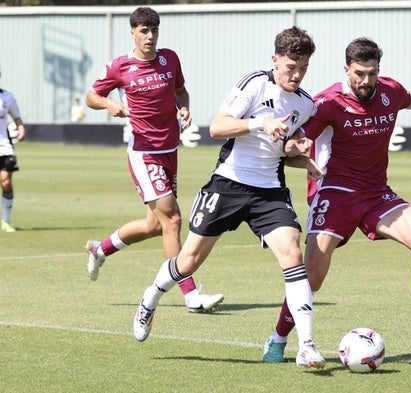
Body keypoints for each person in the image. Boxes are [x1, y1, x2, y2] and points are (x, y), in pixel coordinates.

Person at [262, 37, 411, 364]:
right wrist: (299, 150)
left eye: (372, 73)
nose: (365, 80)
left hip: (376, 193)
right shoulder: (329, 103)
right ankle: (278, 340)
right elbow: (296, 142)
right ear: (346, 69)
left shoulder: (389, 91)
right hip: (335, 194)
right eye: (359, 73)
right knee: (312, 278)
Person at [133, 26, 326, 369]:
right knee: (188, 261)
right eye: (290, 67)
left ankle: (307, 344)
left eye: (303, 69)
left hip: (269, 190)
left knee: (293, 252)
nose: (296, 75)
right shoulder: (255, 83)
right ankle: (151, 297)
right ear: (275, 60)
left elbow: (286, 150)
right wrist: (259, 124)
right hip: (228, 184)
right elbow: (217, 127)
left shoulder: (306, 105)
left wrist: (302, 157)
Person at [85, 7, 223, 313]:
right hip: (143, 152)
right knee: (172, 219)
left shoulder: (170, 59)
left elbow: (181, 91)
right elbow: (91, 97)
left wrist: (184, 108)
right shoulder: (120, 66)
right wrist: (109, 103)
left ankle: (100, 249)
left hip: (169, 151)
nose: (149, 36)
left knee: (154, 225)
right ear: (133, 32)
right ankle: (191, 296)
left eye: (154, 31)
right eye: (144, 31)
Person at [0, 66, 26, 233]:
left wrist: (21, 128)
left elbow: (17, 117)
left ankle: (6, 220)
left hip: (4, 145)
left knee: (6, 181)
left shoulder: (7, 97)